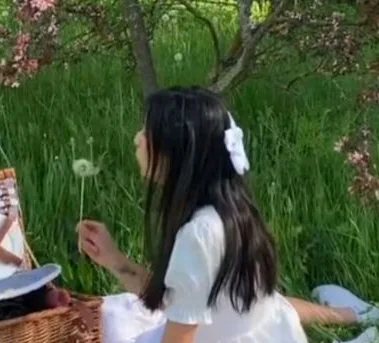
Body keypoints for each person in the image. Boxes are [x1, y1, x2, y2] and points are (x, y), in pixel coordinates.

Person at [77, 86, 378, 343]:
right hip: (265, 330)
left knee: (115, 320)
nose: (137, 138)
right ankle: (358, 314)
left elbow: (178, 336)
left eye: (147, 132)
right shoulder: (233, 209)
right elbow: (180, 296)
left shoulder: (198, 235)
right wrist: (114, 259)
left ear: (175, 154)